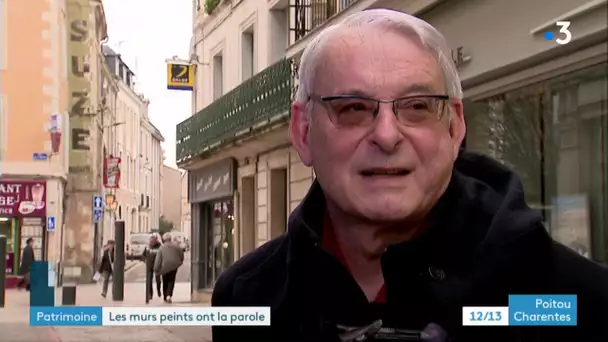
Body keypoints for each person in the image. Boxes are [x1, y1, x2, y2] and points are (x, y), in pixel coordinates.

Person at [211, 9, 608, 342]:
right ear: (303, 132)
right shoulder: (246, 300)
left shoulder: (575, 300)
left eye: (417, 106)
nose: (386, 135)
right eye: (352, 108)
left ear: (454, 128)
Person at [154, 233, 184, 303]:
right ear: (170, 239)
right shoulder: (176, 246)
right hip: (174, 266)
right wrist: (180, 261)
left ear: (164, 240)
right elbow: (181, 254)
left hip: (164, 267)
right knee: (171, 280)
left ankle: (165, 296)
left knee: (165, 281)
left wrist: (156, 268)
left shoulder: (161, 248)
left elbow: (158, 259)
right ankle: (169, 295)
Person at [142, 233, 162, 301]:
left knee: (158, 281)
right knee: (149, 281)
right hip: (149, 266)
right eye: (151, 240)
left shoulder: (160, 246)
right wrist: (145, 260)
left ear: (156, 240)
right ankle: (150, 294)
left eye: (153, 240)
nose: (152, 241)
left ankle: (159, 291)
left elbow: (162, 255)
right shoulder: (147, 247)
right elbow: (143, 255)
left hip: (157, 266)